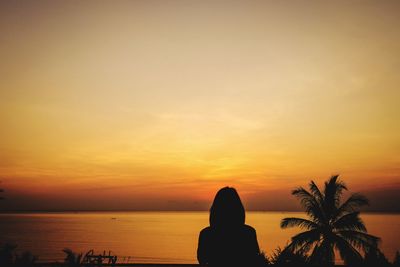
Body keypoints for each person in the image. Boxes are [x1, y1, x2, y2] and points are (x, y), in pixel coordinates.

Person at [197, 187, 262, 267]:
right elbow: (255, 258)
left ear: (215, 209)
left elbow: (202, 259)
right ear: (238, 208)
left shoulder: (206, 234)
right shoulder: (248, 232)